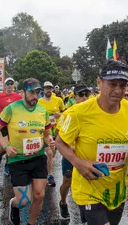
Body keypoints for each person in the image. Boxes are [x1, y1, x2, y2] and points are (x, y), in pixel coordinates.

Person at [55, 59, 128, 225]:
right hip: (88, 189)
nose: (118, 91)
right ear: (99, 82)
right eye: (112, 84)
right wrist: (78, 163)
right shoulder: (77, 113)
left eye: (123, 85)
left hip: (117, 191)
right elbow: (60, 142)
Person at [0, 78, 55, 225]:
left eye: (37, 93)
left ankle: (30, 223)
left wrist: (50, 140)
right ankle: (13, 205)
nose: (35, 96)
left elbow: (47, 134)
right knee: (23, 200)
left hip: (38, 158)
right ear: (23, 92)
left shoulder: (42, 111)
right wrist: (6, 147)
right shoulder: (12, 109)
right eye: (31, 92)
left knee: (39, 195)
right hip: (18, 160)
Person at [56, 83, 91, 220]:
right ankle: (63, 202)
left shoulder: (92, 113)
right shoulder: (68, 113)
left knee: (88, 181)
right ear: (74, 97)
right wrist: (71, 149)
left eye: (86, 95)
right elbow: (58, 137)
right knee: (67, 181)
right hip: (71, 156)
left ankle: (87, 210)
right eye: (81, 95)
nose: (84, 98)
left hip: (86, 156)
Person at [0, 77, 22, 175]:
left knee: (11, 144)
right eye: (7, 83)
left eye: (11, 83)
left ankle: (7, 164)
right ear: (5, 85)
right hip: (2, 123)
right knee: (6, 144)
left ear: (14, 85)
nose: (9, 85)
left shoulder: (18, 97)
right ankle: (0, 157)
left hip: (13, 124)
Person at [38, 81, 65, 186]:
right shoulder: (39, 102)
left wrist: (58, 115)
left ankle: (46, 165)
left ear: (52, 89)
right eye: (46, 88)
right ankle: (50, 175)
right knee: (49, 153)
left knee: (52, 154)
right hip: (45, 131)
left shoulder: (58, 100)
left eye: (50, 88)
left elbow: (65, 113)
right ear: (43, 90)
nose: (48, 90)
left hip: (57, 131)